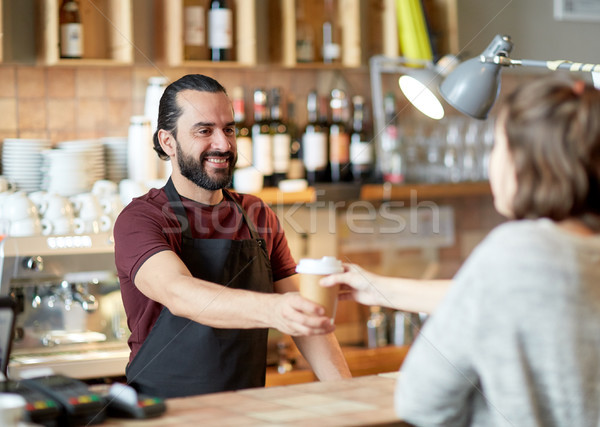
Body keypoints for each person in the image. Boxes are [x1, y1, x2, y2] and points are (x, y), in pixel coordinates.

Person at [321, 76, 600, 426]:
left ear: (524, 162)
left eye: (497, 146)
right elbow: (499, 297)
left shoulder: (513, 252)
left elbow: (421, 400)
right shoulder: (566, 256)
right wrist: (377, 287)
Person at [114, 74, 350, 398]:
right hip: (165, 415)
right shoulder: (142, 219)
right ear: (168, 141)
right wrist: (274, 310)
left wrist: (349, 393)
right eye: (204, 131)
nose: (223, 144)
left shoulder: (257, 215)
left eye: (229, 129)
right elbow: (179, 293)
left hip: (244, 413)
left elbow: (306, 321)